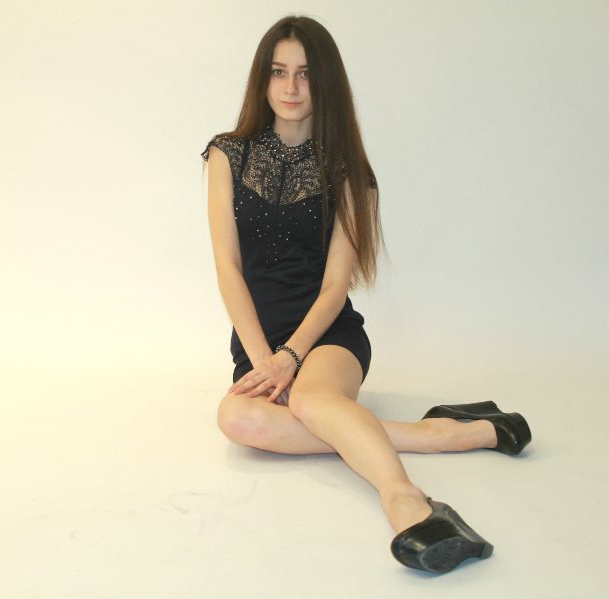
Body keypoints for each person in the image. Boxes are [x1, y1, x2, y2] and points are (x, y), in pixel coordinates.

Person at [201, 15, 532, 574]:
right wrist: (264, 361)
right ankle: (439, 434)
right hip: (258, 341)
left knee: (309, 402)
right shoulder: (226, 155)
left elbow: (336, 286)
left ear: (325, 82)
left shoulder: (349, 171)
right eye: (278, 72)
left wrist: (292, 358)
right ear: (262, 79)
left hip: (327, 336)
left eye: (305, 74)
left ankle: (408, 501)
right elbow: (228, 268)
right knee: (238, 421)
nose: (290, 87)